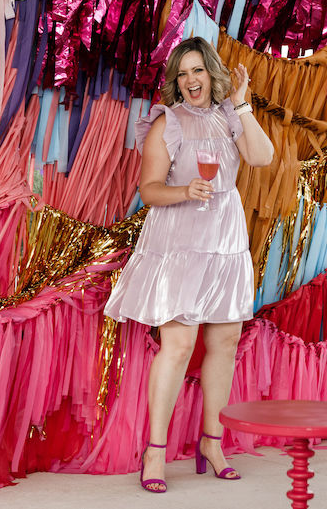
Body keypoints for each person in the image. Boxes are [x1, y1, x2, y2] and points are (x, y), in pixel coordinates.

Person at [104, 37, 274, 493]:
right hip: (180, 241)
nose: (191, 80)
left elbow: (262, 157)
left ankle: (212, 443)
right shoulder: (168, 122)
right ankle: (155, 451)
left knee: (226, 339)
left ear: (211, 74)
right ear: (175, 81)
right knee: (178, 345)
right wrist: (186, 193)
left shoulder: (228, 117)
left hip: (225, 241)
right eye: (183, 74)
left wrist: (242, 107)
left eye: (198, 71)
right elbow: (149, 190)